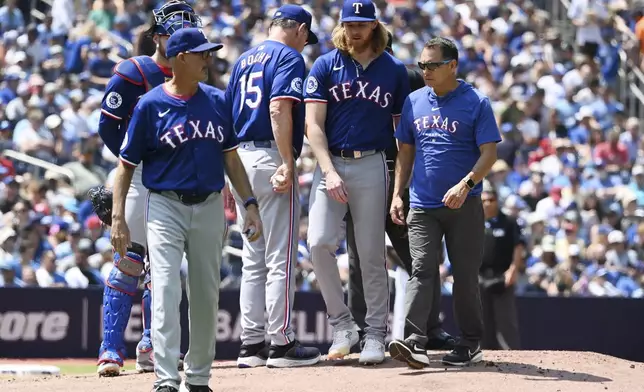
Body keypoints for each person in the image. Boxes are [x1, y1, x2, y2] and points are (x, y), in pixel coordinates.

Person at [111, 28, 262, 392]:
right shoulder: (150, 105)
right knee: (164, 289)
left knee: (206, 295)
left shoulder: (216, 100)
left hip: (209, 205)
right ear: (181, 58)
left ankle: (197, 378)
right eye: (202, 54)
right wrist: (118, 217)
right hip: (164, 205)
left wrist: (250, 204)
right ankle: (165, 379)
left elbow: (232, 160)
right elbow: (125, 165)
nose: (208, 59)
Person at [95, 0, 202, 377]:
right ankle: (110, 347)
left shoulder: (194, 77)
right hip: (140, 175)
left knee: (167, 269)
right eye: (174, 34)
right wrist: (132, 158)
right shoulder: (135, 70)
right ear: (157, 37)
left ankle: (151, 344)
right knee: (129, 261)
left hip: (174, 178)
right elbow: (108, 125)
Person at [303, 0, 410, 365]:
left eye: (362, 23)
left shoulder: (394, 70)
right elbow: (313, 125)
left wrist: (400, 185)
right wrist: (329, 171)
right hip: (330, 162)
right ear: (342, 24)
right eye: (350, 23)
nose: (355, 30)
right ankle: (343, 324)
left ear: (375, 25)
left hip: (372, 164)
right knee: (317, 242)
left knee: (370, 254)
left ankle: (375, 333)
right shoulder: (325, 64)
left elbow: (401, 133)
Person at [387, 37, 501, 368]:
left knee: (464, 277)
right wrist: (398, 194)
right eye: (422, 65)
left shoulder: (476, 102)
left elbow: (489, 154)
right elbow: (405, 151)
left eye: (433, 65)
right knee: (421, 270)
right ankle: (414, 340)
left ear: (452, 65)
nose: (426, 71)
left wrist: (466, 184)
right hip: (422, 205)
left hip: (464, 205)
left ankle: (469, 342)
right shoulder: (413, 101)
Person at [345, 30, 455, 351]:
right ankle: (427, 328)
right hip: (396, 177)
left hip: (374, 173)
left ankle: (365, 332)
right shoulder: (407, 75)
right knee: (419, 258)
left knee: (363, 259)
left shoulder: (359, 78)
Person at [225, 4, 321, 368]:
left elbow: (228, 118)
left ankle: (251, 345)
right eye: (305, 36)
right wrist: (287, 161)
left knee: (253, 258)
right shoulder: (288, 57)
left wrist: (229, 171)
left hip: (240, 161)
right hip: (268, 158)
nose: (304, 44)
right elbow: (280, 108)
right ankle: (280, 343)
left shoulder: (243, 60)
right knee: (279, 256)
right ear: (296, 29)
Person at [479, 185, 523, 350]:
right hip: (479, 276)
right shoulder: (473, 222)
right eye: (484, 201)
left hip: (502, 276)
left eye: (491, 200)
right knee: (481, 319)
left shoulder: (509, 222)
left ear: (497, 201)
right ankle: (483, 353)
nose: (488, 204)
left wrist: (513, 270)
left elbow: (518, 246)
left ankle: (511, 356)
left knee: (506, 320)